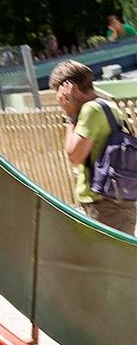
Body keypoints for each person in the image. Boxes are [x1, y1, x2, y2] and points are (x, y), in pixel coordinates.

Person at [50, 59, 136, 234]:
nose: (58, 98)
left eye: (58, 92)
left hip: (104, 203)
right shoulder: (108, 104)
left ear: (70, 87)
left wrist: (70, 116)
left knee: (110, 259)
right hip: (117, 198)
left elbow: (74, 156)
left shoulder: (91, 110)